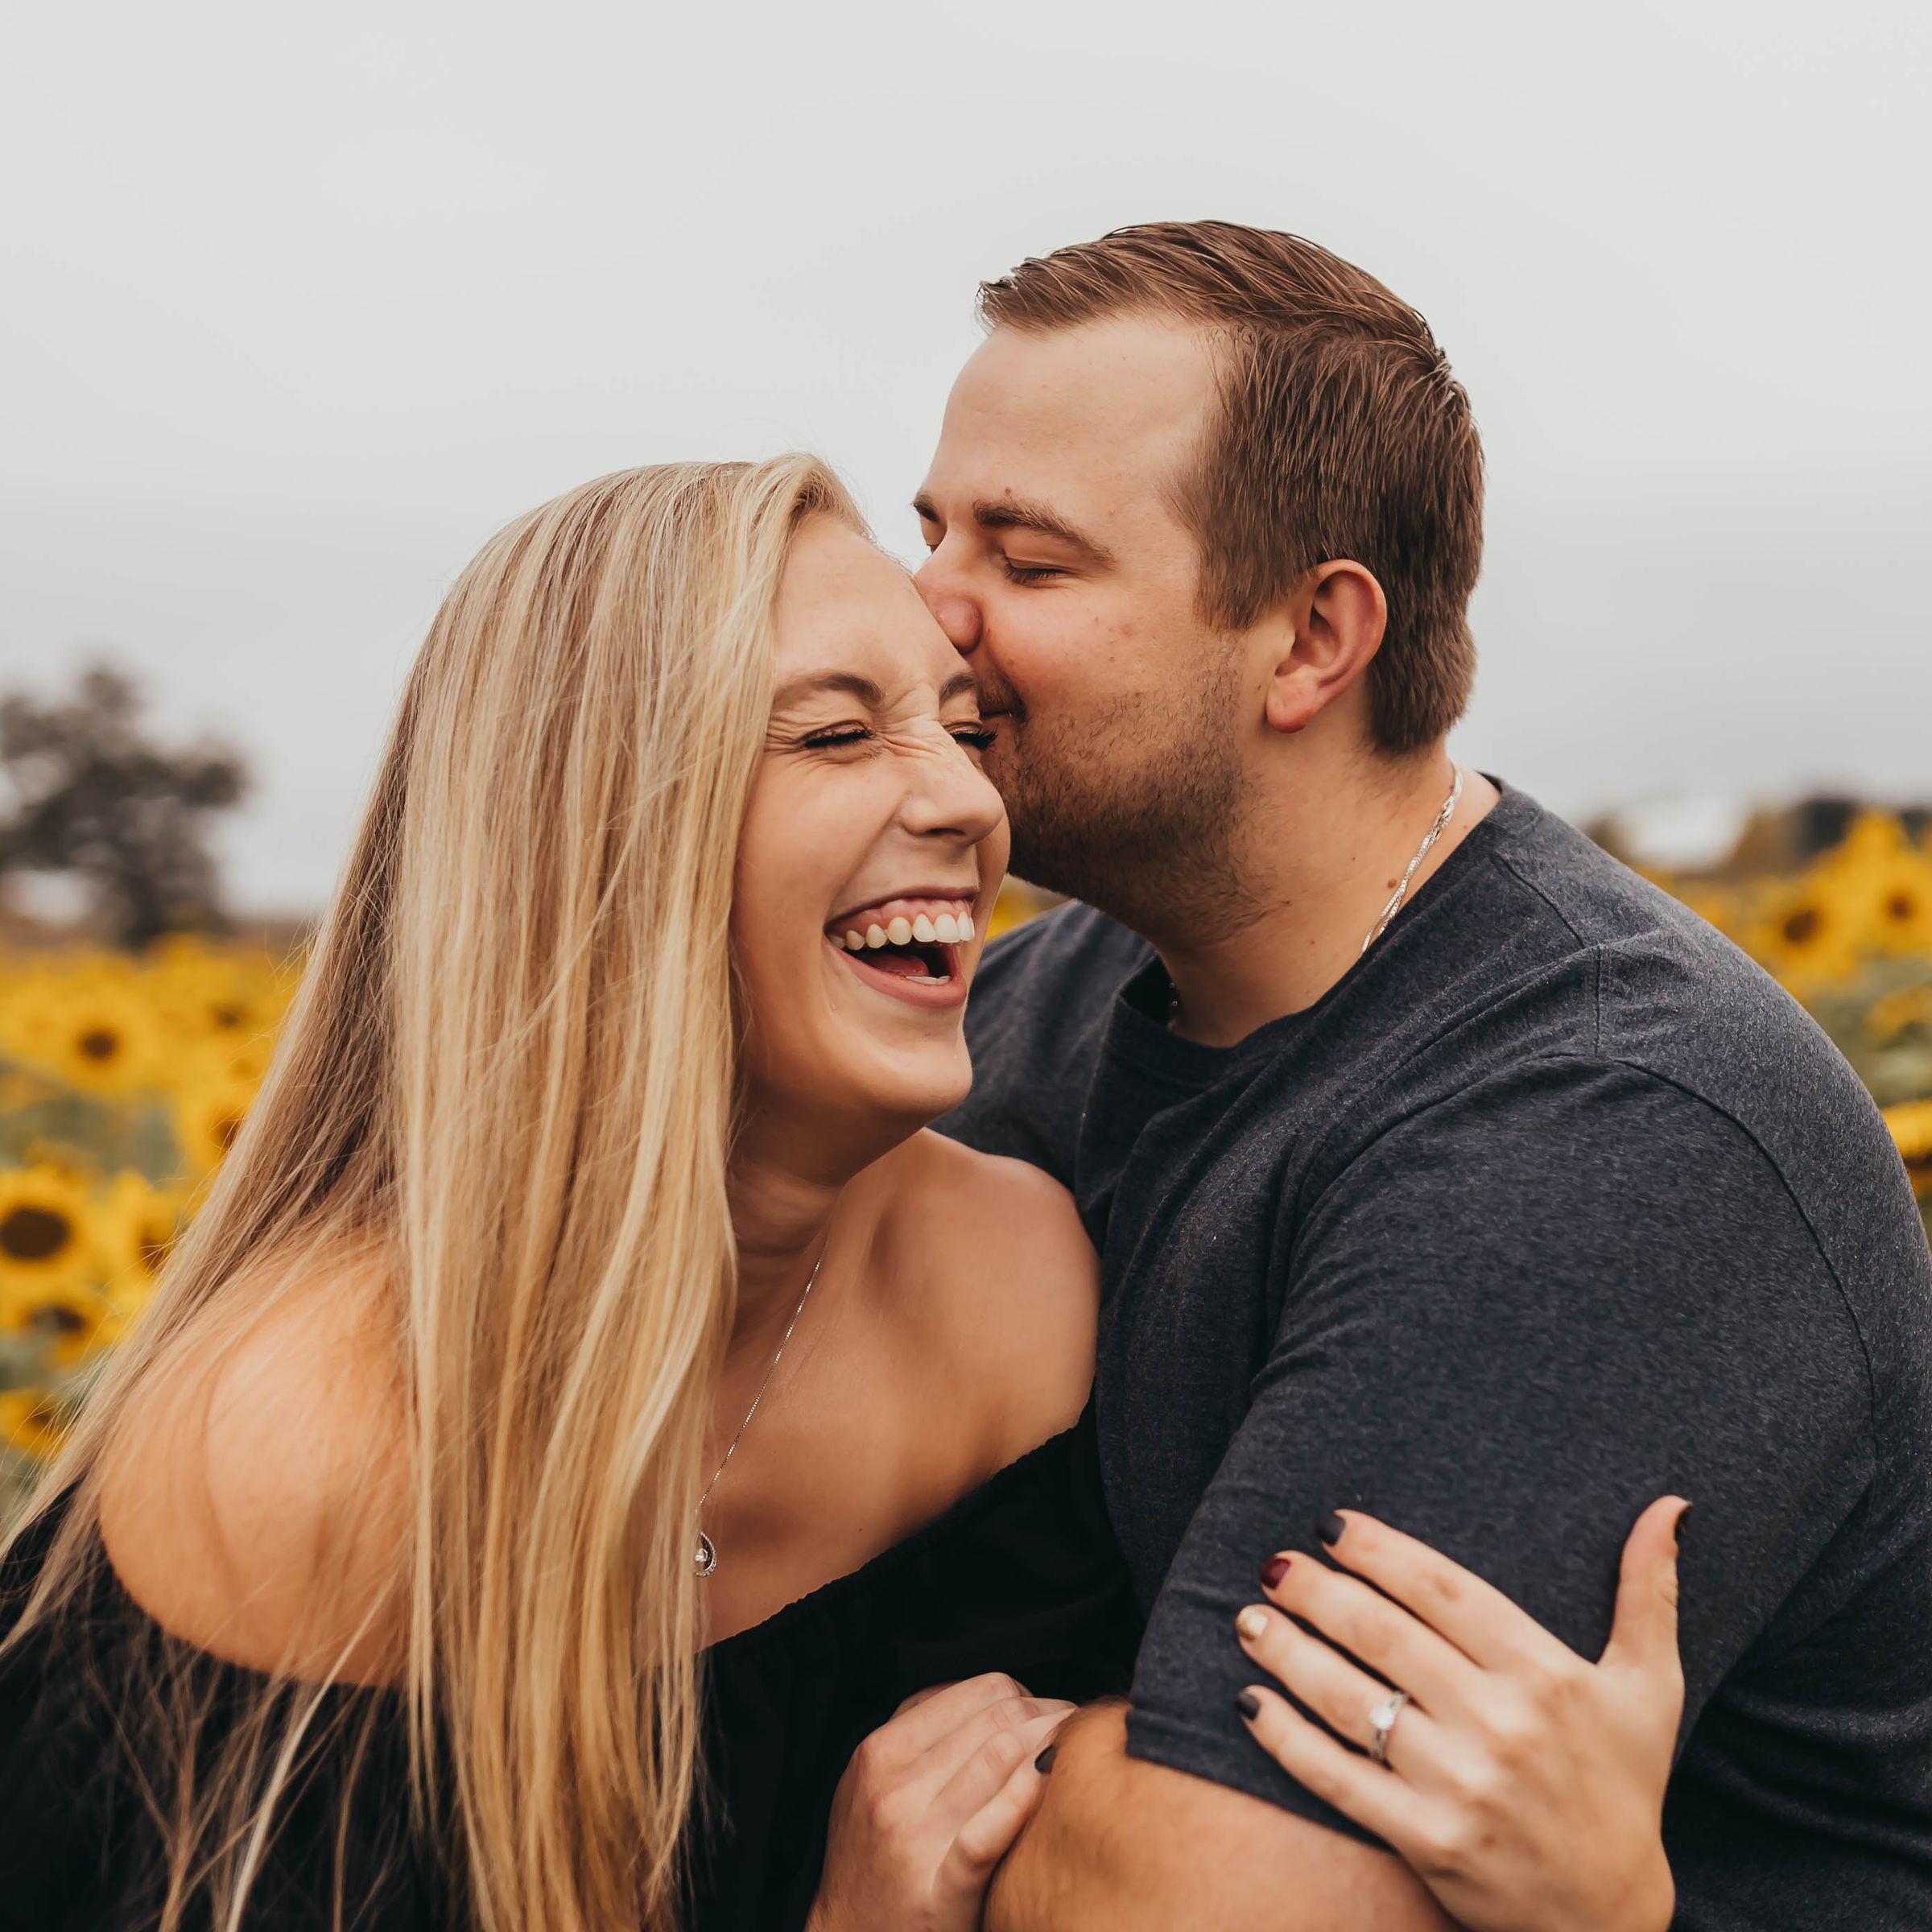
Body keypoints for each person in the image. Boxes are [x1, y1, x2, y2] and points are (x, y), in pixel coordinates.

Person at [0, 459, 1681, 1932]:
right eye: (833, 733)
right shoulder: (295, 1459)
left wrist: (1597, 1894)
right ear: (600, 842)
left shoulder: (1023, 1295)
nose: (967, 799)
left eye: (959, 726)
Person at [920, 221, 1932, 1930]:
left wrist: (916, 1796)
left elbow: (1214, 1902)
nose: (930, 621)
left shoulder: (1604, 1126)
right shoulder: (1031, 1008)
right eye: (931, 534)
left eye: (1026, 562)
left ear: (1312, 640)